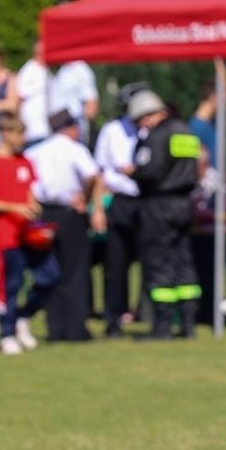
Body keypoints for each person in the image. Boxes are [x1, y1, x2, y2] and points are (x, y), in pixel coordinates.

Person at [0, 116, 57, 355]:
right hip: (6, 234)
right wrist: (13, 208)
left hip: (29, 233)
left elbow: (29, 192)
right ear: (6, 134)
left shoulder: (25, 162)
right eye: (18, 134)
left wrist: (33, 207)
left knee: (50, 276)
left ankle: (24, 316)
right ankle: (6, 332)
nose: (22, 139)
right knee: (10, 284)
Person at [129, 90, 202, 340]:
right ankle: (188, 324)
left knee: (159, 261)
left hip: (159, 204)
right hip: (184, 204)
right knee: (184, 262)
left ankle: (162, 326)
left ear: (149, 114)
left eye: (140, 120)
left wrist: (134, 172)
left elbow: (150, 170)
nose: (141, 126)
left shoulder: (157, 135)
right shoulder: (186, 131)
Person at [28, 109, 104, 341]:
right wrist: (87, 198)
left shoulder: (35, 151)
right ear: (71, 127)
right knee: (75, 272)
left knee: (51, 272)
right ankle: (75, 328)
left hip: (44, 212)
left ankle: (55, 327)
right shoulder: (75, 150)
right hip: (70, 213)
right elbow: (93, 176)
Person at [93, 90, 145, 337]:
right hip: (121, 200)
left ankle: (148, 314)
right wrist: (99, 209)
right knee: (116, 263)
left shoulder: (150, 129)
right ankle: (113, 318)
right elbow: (101, 171)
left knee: (150, 260)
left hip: (146, 199)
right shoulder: (112, 130)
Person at [51, 58, 99, 144]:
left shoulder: (81, 69)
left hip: (72, 129)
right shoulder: (62, 68)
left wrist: (75, 126)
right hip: (58, 128)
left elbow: (91, 106)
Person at [17, 38, 51, 148]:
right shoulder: (28, 70)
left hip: (48, 128)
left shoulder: (47, 70)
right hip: (34, 129)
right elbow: (19, 98)